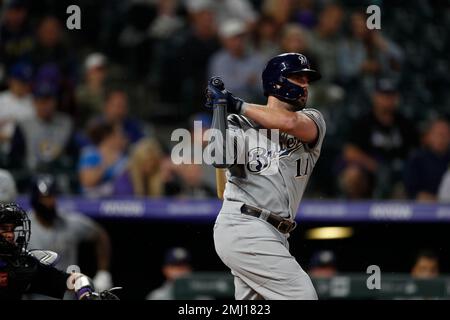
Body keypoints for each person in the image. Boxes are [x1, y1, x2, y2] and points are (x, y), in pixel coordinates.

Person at [206, 52, 326, 299]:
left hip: (277, 233)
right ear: (277, 81)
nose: (305, 86)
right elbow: (220, 157)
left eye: (307, 80)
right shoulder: (239, 123)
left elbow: (289, 123)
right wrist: (220, 109)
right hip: (245, 224)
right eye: (298, 78)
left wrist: (237, 103)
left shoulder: (313, 119)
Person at [0, 202, 114, 300]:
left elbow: (72, 279)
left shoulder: (20, 265)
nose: (10, 235)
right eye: (4, 230)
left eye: (12, 230)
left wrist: (86, 293)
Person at [27, 175, 113, 295]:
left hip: (67, 295)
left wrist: (103, 272)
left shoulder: (68, 223)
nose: (49, 202)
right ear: (34, 199)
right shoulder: (23, 227)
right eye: (44, 198)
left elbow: (100, 235)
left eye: (52, 196)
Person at [404, 118, 450, 201]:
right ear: (429, 136)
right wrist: (438, 201)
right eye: (439, 134)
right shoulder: (417, 159)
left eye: (446, 134)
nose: (442, 138)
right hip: (423, 208)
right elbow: (412, 191)